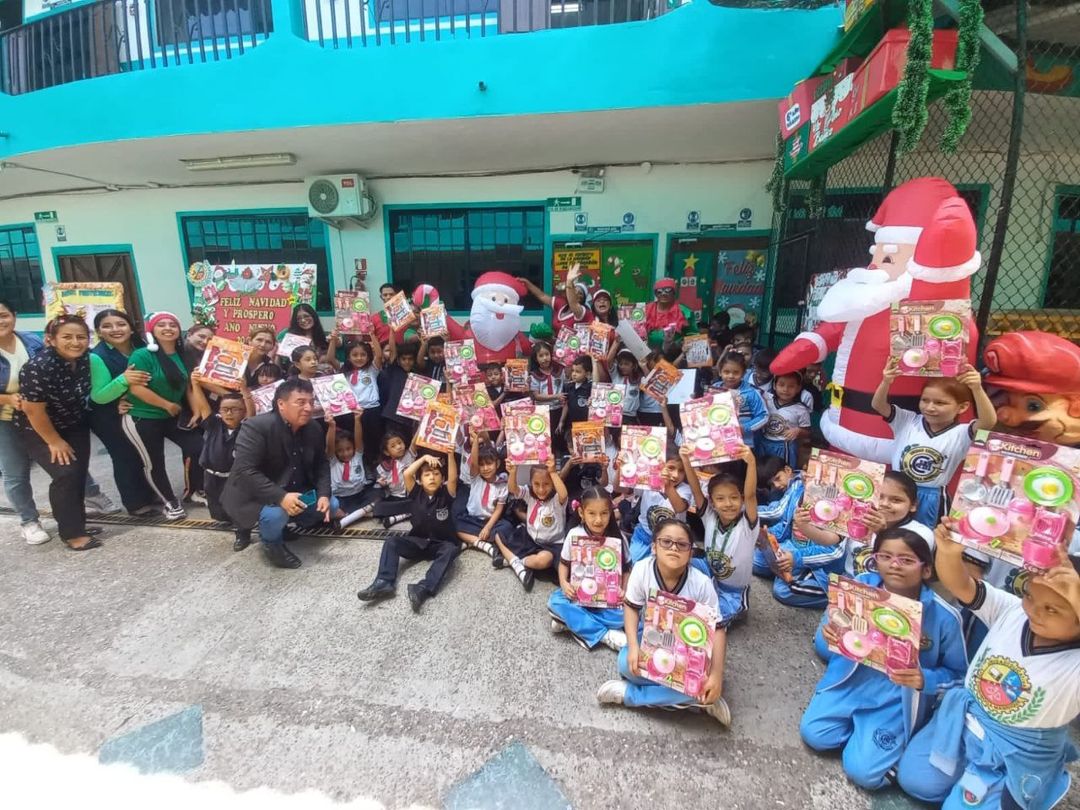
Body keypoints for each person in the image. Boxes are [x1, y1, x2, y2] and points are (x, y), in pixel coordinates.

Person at [896, 523, 1080, 809]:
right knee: (914, 781)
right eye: (1030, 596)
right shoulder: (1013, 610)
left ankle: (1030, 781)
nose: (1034, 611)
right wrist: (949, 551)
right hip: (965, 722)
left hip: (1016, 750)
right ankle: (963, 772)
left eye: (1053, 609)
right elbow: (962, 586)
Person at [800, 527, 967, 791]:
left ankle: (882, 747)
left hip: (896, 699)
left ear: (926, 569)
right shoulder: (859, 586)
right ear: (875, 559)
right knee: (815, 735)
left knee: (863, 774)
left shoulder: (944, 616)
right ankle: (867, 741)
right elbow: (836, 629)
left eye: (907, 559)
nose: (894, 565)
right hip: (850, 682)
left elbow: (960, 676)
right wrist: (832, 631)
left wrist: (925, 679)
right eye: (885, 556)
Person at [596, 519, 731, 726]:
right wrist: (633, 647)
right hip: (652, 638)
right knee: (626, 665)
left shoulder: (702, 584)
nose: (674, 548)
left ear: (690, 553)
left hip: (688, 650)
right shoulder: (642, 570)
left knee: (703, 681)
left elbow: (718, 629)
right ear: (654, 547)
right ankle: (697, 700)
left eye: (682, 544)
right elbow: (631, 607)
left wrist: (716, 675)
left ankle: (631, 695)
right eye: (666, 542)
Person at [221, 377, 337, 569]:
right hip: (257, 495)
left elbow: (321, 464)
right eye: (301, 402)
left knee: (331, 504)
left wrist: (324, 494)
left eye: (311, 402)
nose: (308, 408)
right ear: (281, 404)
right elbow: (245, 470)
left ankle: (284, 525)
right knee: (275, 515)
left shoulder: (314, 428)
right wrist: (281, 497)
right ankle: (271, 544)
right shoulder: (256, 426)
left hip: (294, 488)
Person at [872, 361, 996, 526]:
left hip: (931, 498)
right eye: (925, 400)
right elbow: (878, 405)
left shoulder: (962, 433)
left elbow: (988, 421)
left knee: (925, 538)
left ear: (962, 407)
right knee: (887, 531)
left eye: (940, 403)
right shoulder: (907, 421)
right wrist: (886, 381)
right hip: (896, 492)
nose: (930, 407)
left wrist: (977, 389)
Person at [15, 315, 99, 551]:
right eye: (67, 337)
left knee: (78, 474)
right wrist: (54, 441)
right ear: (51, 339)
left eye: (81, 337)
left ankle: (77, 525)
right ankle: (72, 534)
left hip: (74, 422)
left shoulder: (85, 359)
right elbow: (33, 410)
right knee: (65, 473)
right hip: (40, 428)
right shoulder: (39, 367)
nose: (75, 342)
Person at [121, 312, 209, 521]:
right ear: (152, 330)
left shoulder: (181, 354)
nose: (168, 328)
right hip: (142, 417)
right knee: (154, 463)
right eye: (162, 325)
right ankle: (169, 502)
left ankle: (196, 490)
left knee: (200, 447)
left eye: (173, 325)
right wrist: (166, 405)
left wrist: (196, 411)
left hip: (172, 416)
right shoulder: (142, 355)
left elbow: (187, 386)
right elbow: (136, 388)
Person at [356, 452, 460, 612]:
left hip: (440, 544)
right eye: (427, 474)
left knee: (451, 549)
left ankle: (423, 588)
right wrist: (423, 458)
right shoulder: (416, 492)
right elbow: (407, 474)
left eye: (436, 474)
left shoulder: (446, 494)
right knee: (391, 542)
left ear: (442, 479)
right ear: (420, 480)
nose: (432, 477)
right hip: (418, 542)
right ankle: (384, 581)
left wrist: (450, 454)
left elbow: (453, 478)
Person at [88, 309, 157, 516]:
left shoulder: (142, 346)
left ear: (130, 327)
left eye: (120, 324)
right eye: (107, 326)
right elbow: (99, 395)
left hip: (135, 409)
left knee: (143, 453)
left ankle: (150, 493)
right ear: (99, 331)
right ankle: (135, 504)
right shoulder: (97, 356)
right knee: (124, 456)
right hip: (106, 415)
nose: (115, 329)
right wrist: (124, 380)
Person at [682, 445, 759, 625]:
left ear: (741, 499)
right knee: (675, 560)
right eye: (720, 498)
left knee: (707, 623)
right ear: (712, 502)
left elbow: (751, 495)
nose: (728, 504)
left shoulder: (748, 524)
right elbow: (696, 490)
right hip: (709, 574)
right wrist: (686, 460)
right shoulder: (709, 516)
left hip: (733, 591)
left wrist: (751, 463)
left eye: (734, 497)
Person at [548, 487, 631, 652]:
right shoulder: (574, 534)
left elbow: (627, 569)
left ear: (611, 513)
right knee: (555, 601)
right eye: (592, 513)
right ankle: (604, 635)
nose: (598, 520)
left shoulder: (618, 537)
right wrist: (564, 584)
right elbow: (564, 564)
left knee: (625, 616)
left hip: (608, 601)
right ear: (581, 512)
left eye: (604, 513)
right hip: (579, 596)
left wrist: (624, 589)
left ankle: (571, 623)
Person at [494, 457, 569, 591]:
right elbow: (513, 489)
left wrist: (553, 472)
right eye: (536, 484)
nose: (541, 489)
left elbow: (563, 494)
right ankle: (515, 561)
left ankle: (515, 562)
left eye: (546, 484)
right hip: (530, 538)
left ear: (553, 483)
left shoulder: (556, 500)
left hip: (551, 545)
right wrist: (513, 472)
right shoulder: (530, 493)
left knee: (544, 560)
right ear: (531, 483)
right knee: (499, 534)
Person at [199, 391, 250, 551]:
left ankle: (242, 534)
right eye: (225, 409)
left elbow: (252, 413)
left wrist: (245, 391)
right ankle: (227, 519)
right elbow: (202, 405)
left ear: (244, 412)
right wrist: (195, 384)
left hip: (235, 478)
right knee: (217, 505)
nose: (229, 413)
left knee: (238, 506)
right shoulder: (214, 424)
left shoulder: (247, 429)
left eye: (235, 409)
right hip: (211, 475)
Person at [623, 454, 692, 564]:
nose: (676, 475)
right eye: (671, 468)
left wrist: (667, 486)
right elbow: (621, 489)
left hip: (671, 540)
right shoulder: (648, 481)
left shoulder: (684, 489)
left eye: (681, 471)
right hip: (644, 535)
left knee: (666, 567)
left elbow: (679, 507)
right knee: (634, 564)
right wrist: (622, 468)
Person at [455, 434, 509, 559]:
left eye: (489, 464)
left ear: (497, 464)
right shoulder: (476, 478)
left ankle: (473, 540)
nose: (485, 468)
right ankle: (485, 545)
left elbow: (498, 509)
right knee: (457, 526)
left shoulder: (502, 484)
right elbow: (474, 463)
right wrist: (475, 441)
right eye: (482, 465)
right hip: (472, 519)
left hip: (490, 521)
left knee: (505, 528)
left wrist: (488, 527)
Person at [711, 351, 768, 446]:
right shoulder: (713, 389)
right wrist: (698, 403)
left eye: (736, 372)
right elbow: (705, 411)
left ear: (743, 373)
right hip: (718, 442)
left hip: (743, 443)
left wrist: (744, 428)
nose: (731, 376)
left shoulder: (751, 392)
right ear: (720, 372)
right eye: (726, 372)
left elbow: (764, 416)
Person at [759, 371, 811, 468]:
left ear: (798, 388)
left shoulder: (801, 410)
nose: (785, 389)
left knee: (783, 471)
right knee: (763, 470)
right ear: (774, 385)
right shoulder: (767, 401)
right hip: (764, 443)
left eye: (791, 386)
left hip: (785, 447)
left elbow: (807, 432)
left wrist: (798, 431)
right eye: (781, 385)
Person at [644, 278, 693, 344]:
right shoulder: (646, 310)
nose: (663, 294)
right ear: (655, 294)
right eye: (659, 291)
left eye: (668, 290)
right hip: (646, 349)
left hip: (676, 350)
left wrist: (680, 345)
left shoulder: (685, 312)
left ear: (674, 293)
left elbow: (693, 337)